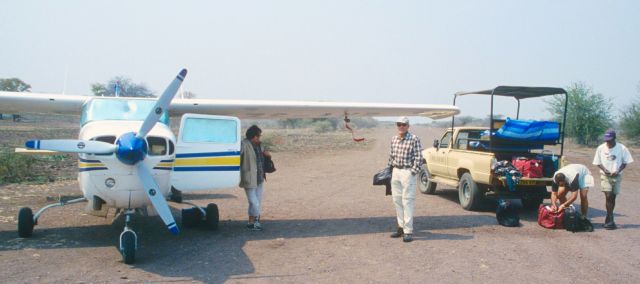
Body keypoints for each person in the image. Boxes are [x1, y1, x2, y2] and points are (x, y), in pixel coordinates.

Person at [387, 116, 423, 242]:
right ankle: (400, 228)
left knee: (407, 201)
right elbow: (391, 156)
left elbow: (419, 158)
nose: (401, 126)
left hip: (408, 172)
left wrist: (412, 172)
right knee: (397, 200)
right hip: (396, 171)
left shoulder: (414, 139)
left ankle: (408, 231)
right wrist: (389, 170)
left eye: (404, 124)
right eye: (399, 124)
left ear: (408, 126)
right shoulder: (394, 139)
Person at [592, 129, 634, 230]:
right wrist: (604, 169)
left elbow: (625, 162)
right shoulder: (601, 148)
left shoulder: (622, 148)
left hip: (617, 176)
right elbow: (597, 162)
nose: (608, 142)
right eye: (606, 140)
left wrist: (618, 170)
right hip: (605, 176)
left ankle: (608, 218)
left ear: (615, 138)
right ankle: (611, 220)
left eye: (610, 140)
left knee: (613, 197)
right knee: (608, 195)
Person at [239, 125, 271, 231]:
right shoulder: (243, 144)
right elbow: (237, 155)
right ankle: (256, 221)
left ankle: (251, 222)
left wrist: (268, 156)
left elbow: (264, 157)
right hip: (249, 177)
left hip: (260, 177)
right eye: (258, 136)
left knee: (257, 201)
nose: (259, 138)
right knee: (254, 201)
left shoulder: (259, 145)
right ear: (253, 136)